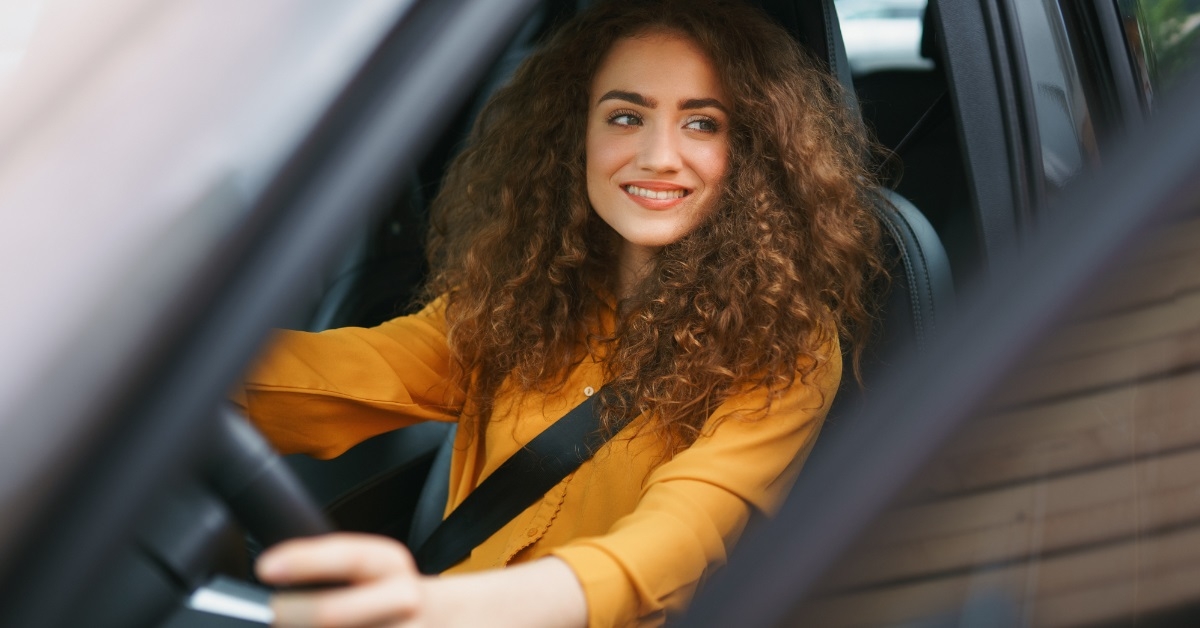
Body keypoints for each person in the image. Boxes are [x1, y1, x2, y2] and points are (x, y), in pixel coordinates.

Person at [236, 0, 884, 625]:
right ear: (575, 134)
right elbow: (339, 375)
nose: (659, 155)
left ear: (754, 151)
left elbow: (674, 543)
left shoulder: (784, 347)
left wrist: (453, 611)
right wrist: (157, 363)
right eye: (626, 116)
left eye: (702, 122)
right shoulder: (521, 292)